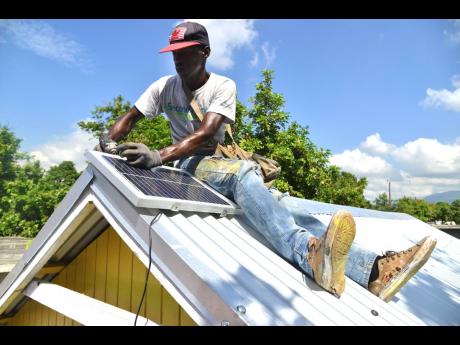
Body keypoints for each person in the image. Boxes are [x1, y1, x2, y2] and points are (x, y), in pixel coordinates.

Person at [97, 21, 437, 302]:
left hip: (206, 158)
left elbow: (204, 134)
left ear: (205, 51)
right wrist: (110, 140)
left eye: (185, 53)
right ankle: (308, 254)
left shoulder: (222, 86)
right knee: (242, 175)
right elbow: (129, 119)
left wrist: (156, 155)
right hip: (185, 164)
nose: (178, 61)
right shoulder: (163, 87)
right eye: (174, 54)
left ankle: (375, 271)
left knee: (288, 208)